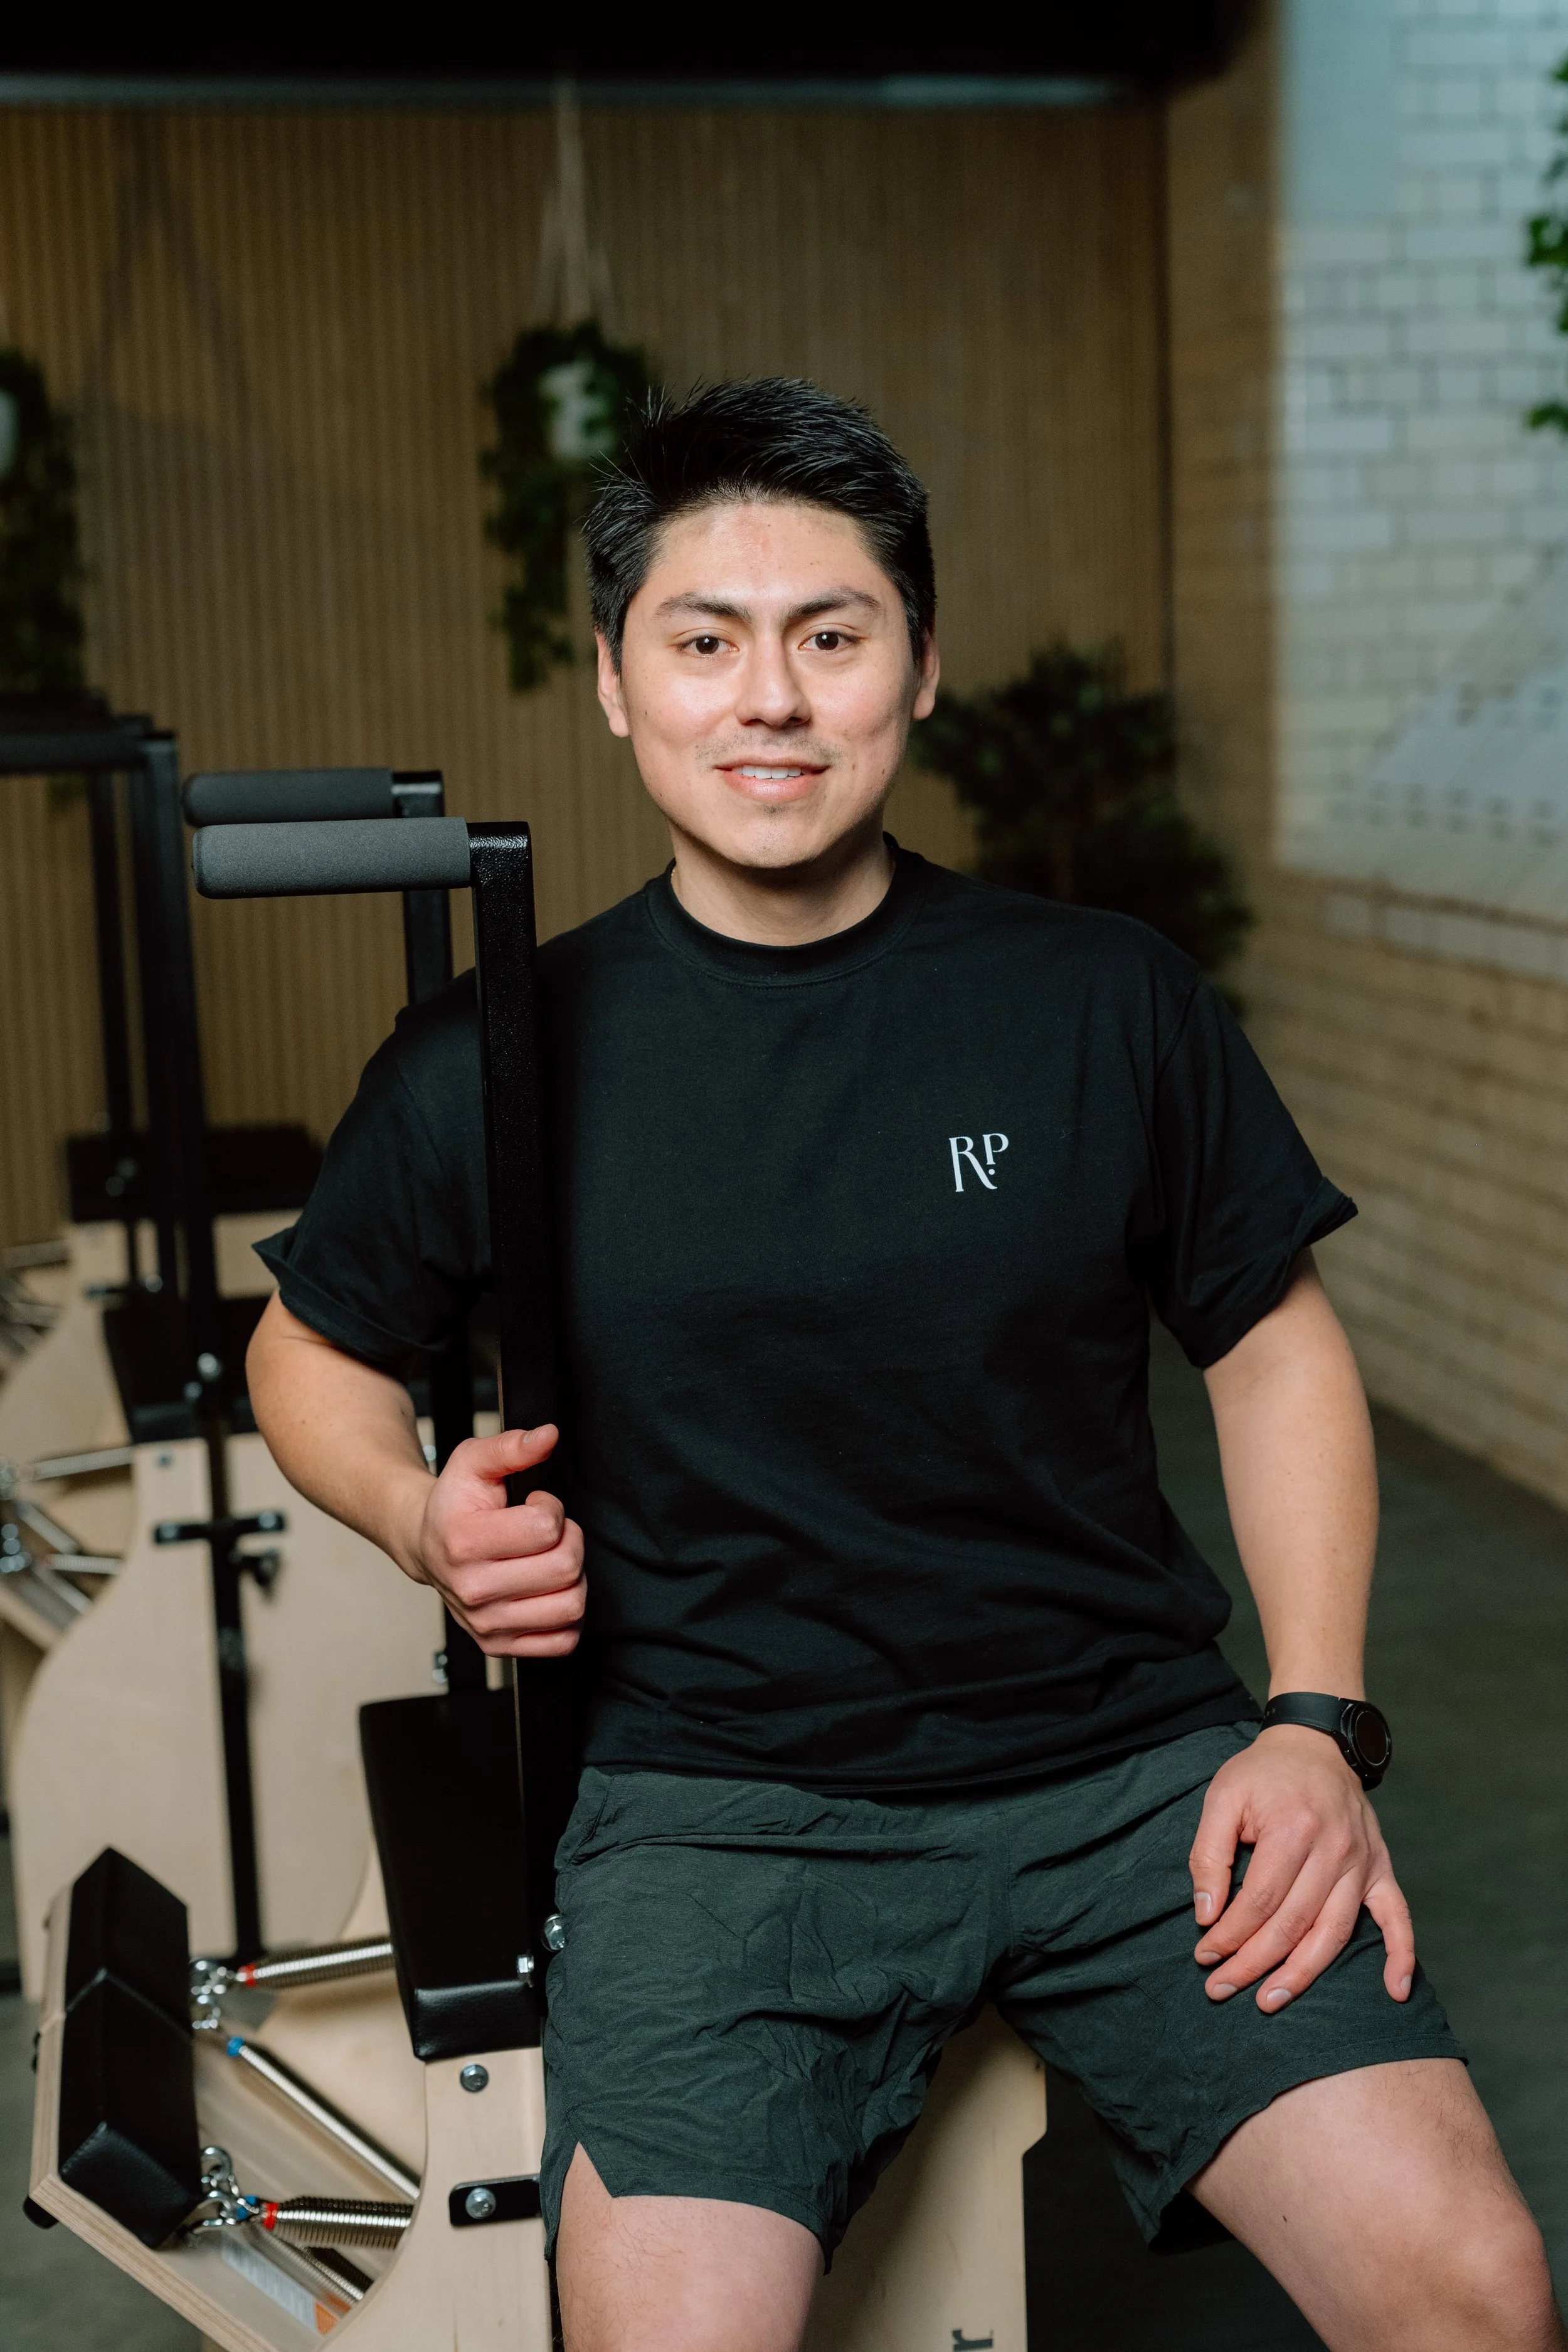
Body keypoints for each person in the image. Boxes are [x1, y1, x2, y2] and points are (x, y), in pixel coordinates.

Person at [246, 378, 1561, 2352]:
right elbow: (312, 1350)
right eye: (703, 641)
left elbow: (1272, 1347)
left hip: (1128, 1773)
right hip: (717, 1805)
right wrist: (416, 1513)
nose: (768, 697)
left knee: (1475, 2291)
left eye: (828, 635)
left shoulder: (1096, 998)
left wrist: (1310, 1719)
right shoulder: (497, 1057)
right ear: (617, 681)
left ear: (917, 667)